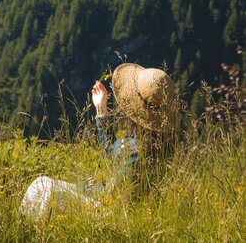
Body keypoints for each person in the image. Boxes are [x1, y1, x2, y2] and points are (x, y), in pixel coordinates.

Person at [20, 63, 178, 220]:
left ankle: (31, 231)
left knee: (42, 187)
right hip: (118, 208)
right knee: (45, 187)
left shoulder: (134, 149)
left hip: (106, 211)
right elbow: (116, 155)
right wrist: (102, 111)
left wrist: (86, 187)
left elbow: (112, 194)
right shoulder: (157, 147)